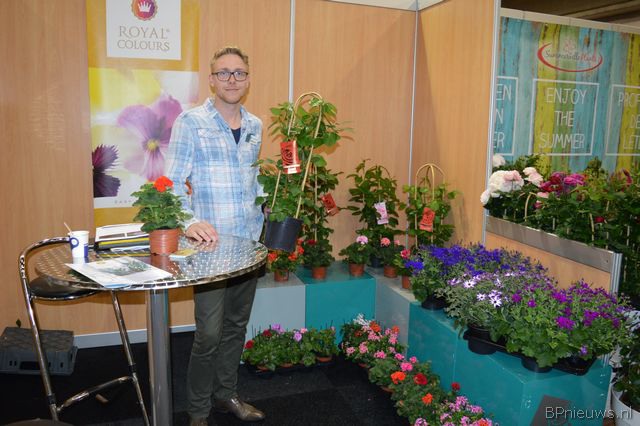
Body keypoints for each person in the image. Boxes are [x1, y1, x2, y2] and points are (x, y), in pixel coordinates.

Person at [164, 46, 265, 425]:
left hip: (248, 244)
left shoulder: (255, 125)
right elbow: (172, 183)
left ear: (248, 79)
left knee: (236, 326)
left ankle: (226, 395)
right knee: (208, 334)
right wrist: (188, 221)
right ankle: (198, 411)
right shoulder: (191, 122)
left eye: (239, 73)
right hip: (209, 249)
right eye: (224, 73)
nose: (232, 80)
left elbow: (253, 180)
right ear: (211, 80)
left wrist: (271, 203)